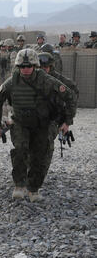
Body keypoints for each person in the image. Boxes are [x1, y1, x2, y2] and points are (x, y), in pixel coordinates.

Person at [0, 49, 76, 202]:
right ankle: (19, 185)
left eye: (28, 66)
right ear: (18, 67)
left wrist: (67, 122)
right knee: (20, 150)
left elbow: (69, 95)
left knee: (40, 155)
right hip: (20, 123)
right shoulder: (12, 82)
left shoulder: (46, 80)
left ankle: (33, 188)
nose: (25, 69)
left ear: (35, 66)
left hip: (42, 124)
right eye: (22, 67)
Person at [38, 52, 79, 180]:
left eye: (46, 67)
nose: (43, 70)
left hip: (52, 120)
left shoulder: (59, 81)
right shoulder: (32, 79)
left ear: (51, 67)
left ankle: (39, 175)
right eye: (40, 67)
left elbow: (73, 95)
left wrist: (67, 121)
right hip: (35, 118)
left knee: (46, 144)